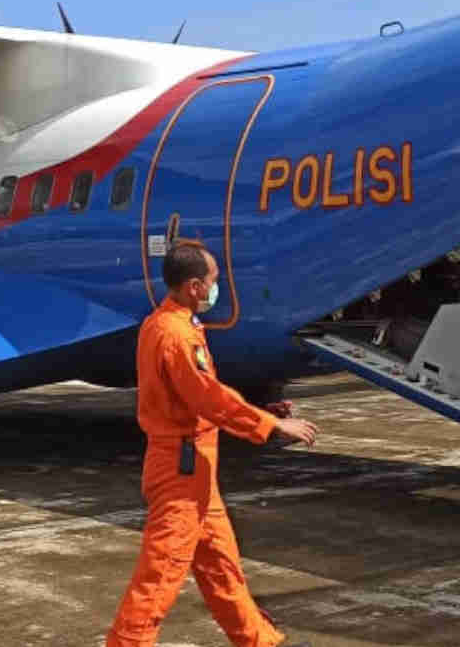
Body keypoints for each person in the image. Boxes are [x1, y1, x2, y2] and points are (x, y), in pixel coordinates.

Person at [107, 241, 318, 647]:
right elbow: (207, 396)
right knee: (160, 576)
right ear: (194, 287)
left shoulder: (169, 324)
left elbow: (196, 396)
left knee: (222, 567)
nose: (216, 287)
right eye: (213, 280)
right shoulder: (176, 334)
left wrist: (261, 410)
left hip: (195, 468)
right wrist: (270, 425)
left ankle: (260, 641)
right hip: (180, 472)